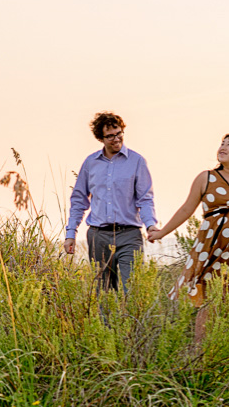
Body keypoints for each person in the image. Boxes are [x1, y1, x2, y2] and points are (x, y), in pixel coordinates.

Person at [148, 134, 229, 342]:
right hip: (212, 249)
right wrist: (161, 233)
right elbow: (186, 209)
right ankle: (203, 353)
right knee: (208, 297)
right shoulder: (206, 177)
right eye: (222, 144)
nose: (222, 147)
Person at [64, 112, 159, 292]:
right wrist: (71, 233)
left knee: (132, 291)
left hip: (129, 235)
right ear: (101, 138)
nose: (116, 139)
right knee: (104, 294)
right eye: (110, 136)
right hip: (98, 236)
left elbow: (145, 199)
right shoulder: (90, 163)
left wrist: (150, 225)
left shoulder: (137, 161)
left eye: (119, 133)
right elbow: (78, 200)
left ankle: (131, 321)